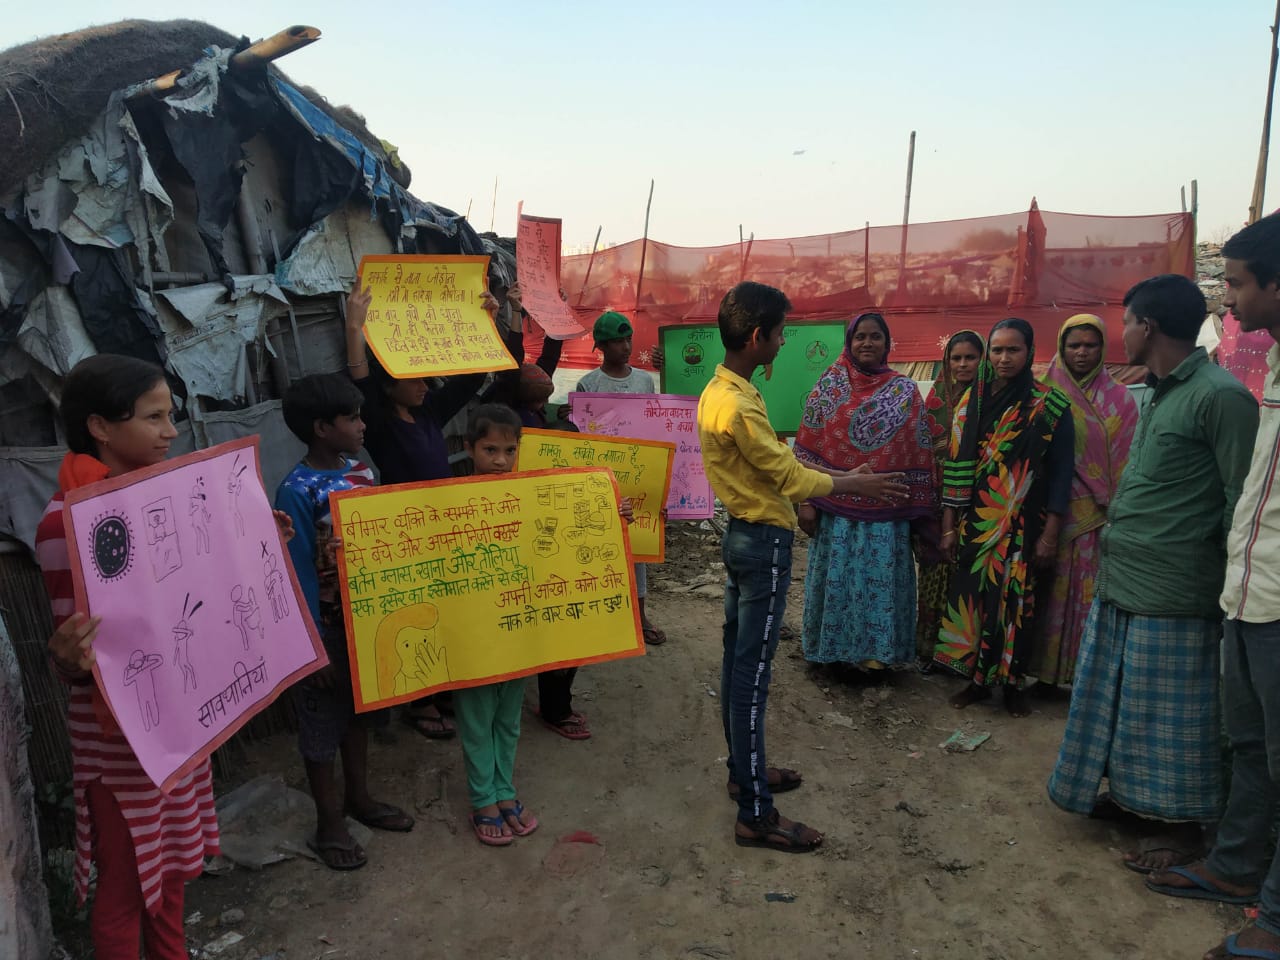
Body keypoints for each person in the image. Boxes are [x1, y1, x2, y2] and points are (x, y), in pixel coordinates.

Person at [37, 355, 288, 959]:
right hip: (122, 745)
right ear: (100, 426)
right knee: (126, 892)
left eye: (169, 416)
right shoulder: (67, 524)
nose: (171, 431)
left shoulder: (169, 503)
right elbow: (85, 651)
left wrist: (257, 546)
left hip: (181, 724)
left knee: (172, 873)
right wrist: (67, 659)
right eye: (153, 417)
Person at [1047, 275, 1258, 872]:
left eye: (1127, 321)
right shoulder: (1162, 392)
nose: (1121, 334)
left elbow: (1239, 500)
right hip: (1127, 582)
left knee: (1180, 716)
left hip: (1176, 590)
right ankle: (1139, 801)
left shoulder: (1221, 397)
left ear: (1150, 327)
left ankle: (1187, 828)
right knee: (1129, 703)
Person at [697, 281, 909, 853]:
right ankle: (755, 814)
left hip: (745, 536)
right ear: (759, 336)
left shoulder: (721, 389)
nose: (785, 342)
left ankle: (747, 775)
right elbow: (789, 477)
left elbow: (778, 466)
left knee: (737, 664)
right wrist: (854, 481)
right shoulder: (738, 404)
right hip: (761, 542)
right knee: (752, 677)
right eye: (782, 333)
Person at [1144, 216, 1280, 960]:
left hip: (1274, 597)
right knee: (1251, 747)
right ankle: (1233, 870)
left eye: (1234, 282)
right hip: (1249, 592)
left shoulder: (1222, 393)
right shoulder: (1273, 366)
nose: (1224, 300)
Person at [345, 284, 505, 739]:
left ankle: (444, 687)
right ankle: (420, 701)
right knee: (416, 615)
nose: (424, 384)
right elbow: (358, 374)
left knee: (447, 609)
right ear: (389, 384)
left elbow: (472, 378)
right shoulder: (378, 420)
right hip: (406, 530)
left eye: (424, 378)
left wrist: (487, 321)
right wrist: (355, 325)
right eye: (413, 379)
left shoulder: (430, 411)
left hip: (445, 523)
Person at [275, 373, 414, 870]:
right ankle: (328, 822)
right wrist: (312, 647)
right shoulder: (294, 490)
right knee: (320, 726)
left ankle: (360, 798)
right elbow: (295, 573)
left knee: (359, 715)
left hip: (367, 620)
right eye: (351, 417)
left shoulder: (362, 471)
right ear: (320, 428)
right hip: (326, 630)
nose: (362, 424)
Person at [933, 317, 1075, 718]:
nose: (1003, 358)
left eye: (1013, 350)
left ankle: (1013, 686)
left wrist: (1050, 534)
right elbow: (957, 467)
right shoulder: (971, 402)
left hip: (1025, 523)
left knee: (1018, 604)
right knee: (975, 600)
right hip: (976, 523)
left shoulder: (1050, 405)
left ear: (1029, 352)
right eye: (997, 350)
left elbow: (1063, 472)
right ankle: (977, 682)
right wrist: (948, 526)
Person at [794, 312, 938, 674]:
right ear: (849, 342)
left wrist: (919, 514)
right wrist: (807, 503)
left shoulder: (905, 392)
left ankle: (877, 658)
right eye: (860, 336)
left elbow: (919, 453)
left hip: (886, 514)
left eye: (876, 337)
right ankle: (831, 654)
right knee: (838, 580)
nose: (867, 343)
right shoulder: (829, 384)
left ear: (888, 344)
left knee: (880, 585)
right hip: (836, 511)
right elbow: (808, 447)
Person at [1029, 315, 1139, 687]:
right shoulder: (1044, 393)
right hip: (1049, 512)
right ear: (1061, 346)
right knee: (1045, 593)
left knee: (1085, 598)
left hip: (1097, 518)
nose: (1081, 352)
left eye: (1089, 345)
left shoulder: (1121, 400)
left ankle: (1082, 676)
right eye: (1073, 345)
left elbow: (1128, 457)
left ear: (1102, 348)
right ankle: (1041, 675)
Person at [574, 310, 666, 645]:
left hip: (639, 478)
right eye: (617, 341)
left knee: (638, 549)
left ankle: (639, 617)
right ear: (601, 345)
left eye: (628, 339)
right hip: (602, 479)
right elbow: (583, 436)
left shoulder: (644, 380)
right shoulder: (589, 385)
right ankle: (603, 617)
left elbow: (655, 425)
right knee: (598, 545)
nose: (626, 346)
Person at [916, 330, 984, 664]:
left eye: (970, 357)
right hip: (933, 506)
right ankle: (928, 651)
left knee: (968, 581)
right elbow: (921, 451)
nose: (962, 364)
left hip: (978, 505)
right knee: (932, 576)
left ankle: (960, 657)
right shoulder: (936, 400)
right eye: (956, 358)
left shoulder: (991, 401)